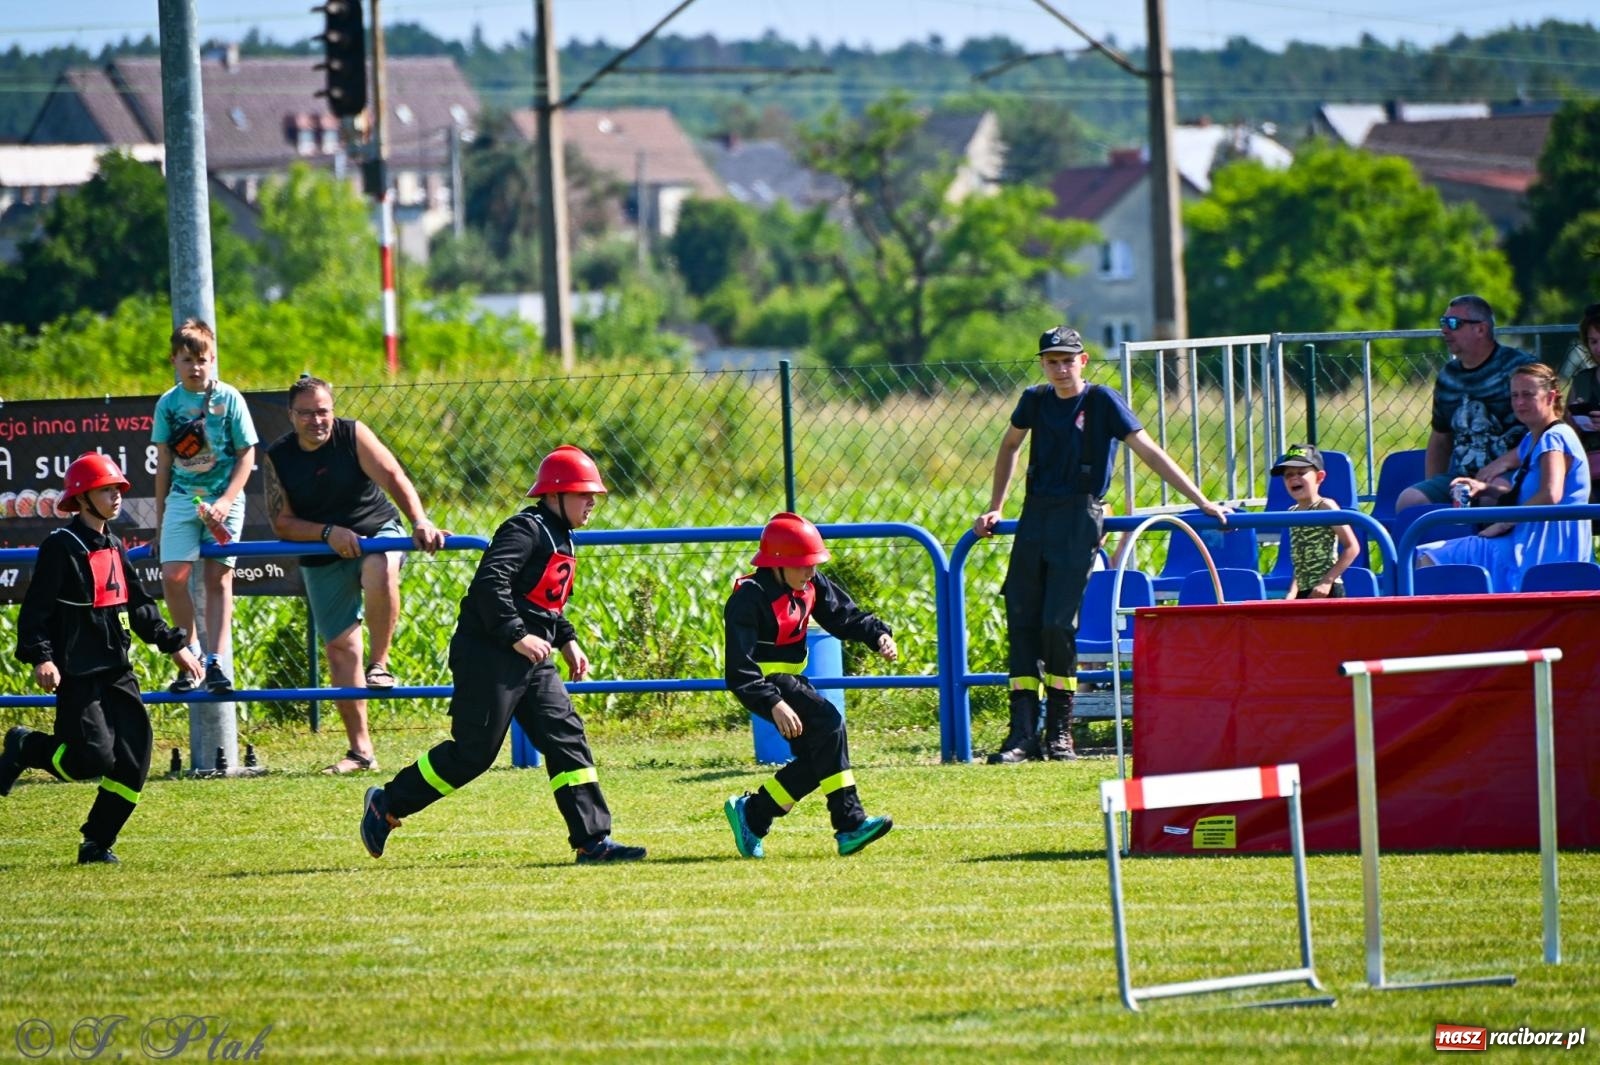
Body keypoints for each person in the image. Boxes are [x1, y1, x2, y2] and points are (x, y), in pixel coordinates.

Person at [359, 445, 646, 864]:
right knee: (474, 753)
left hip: (532, 659)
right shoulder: (524, 529)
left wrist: (567, 640)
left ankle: (593, 841)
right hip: (489, 654)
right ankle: (387, 804)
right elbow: (490, 584)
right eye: (583, 494)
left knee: (566, 737)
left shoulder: (562, 536)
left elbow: (545, 602)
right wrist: (517, 636)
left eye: (594, 495)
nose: (592, 502)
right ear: (554, 495)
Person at [974, 325, 1228, 765]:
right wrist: (995, 506)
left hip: (1080, 515)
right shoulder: (1034, 400)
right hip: (1036, 515)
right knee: (1022, 620)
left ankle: (1059, 733)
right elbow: (1010, 444)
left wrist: (1201, 501)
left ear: (1083, 361)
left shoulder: (1102, 401)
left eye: (1067, 360)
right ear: (1042, 364)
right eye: (1052, 361)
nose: (1060, 369)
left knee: (1058, 625)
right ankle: (1021, 735)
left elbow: (1149, 451)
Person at [2, 454, 203, 864]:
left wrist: (174, 645)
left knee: (134, 757)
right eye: (106, 490)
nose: (116, 497)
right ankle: (27, 747)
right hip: (76, 672)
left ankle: (97, 842)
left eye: (117, 489)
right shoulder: (61, 546)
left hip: (116, 669)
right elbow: (35, 610)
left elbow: (140, 605)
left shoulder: (113, 544)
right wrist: (42, 657)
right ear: (82, 498)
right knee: (90, 759)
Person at [263, 376, 449, 774]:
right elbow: (282, 522)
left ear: (333, 410)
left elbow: (394, 477)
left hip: (378, 531)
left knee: (379, 564)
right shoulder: (278, 456)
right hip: (322, 550)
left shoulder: (353, 435)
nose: (317, 420)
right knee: (340, 650)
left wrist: (420, 520)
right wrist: (327, 533)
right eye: (307, 413)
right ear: (291, 415)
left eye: (323, 411)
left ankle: (379, 664)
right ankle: (360, 753)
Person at [722, 513, 897, 859]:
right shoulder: (748, 599)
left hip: (792, 683)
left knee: (821, 757)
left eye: (813, 563)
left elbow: (844, 616)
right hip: (764, 684)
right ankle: (850, 824)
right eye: (802, 564)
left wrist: (877, 634)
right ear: (776, 564)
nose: (810, 571)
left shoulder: (811, 584)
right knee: (829, 722)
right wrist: (773, 702)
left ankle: (754, 814)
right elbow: (739, 670)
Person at [151, 319, 258, 695]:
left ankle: (215, 662)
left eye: (202, 359)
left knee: (218, 578)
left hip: (225, 500)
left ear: (213, 359)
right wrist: (160, 525)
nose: (195, 367)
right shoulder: (167, 404)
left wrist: (226, 501)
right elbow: (164, 465)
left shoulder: (230, 398)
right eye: (187, 360)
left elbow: (247, 455)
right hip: (183, 499)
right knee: (172, 577)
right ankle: (191, 656)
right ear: (174, 362)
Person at [1418, 363, 1592, 592]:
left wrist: (1502, 524)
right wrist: (1484, 488)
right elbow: (1528, 495)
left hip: (1543, 550)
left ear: (1550, 397)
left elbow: (1550, 494)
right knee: (1422, 555)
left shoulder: (1555, 437)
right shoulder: (1532, 440)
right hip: (1524, 542)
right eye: (1514, 395)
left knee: (1427, 558)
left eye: (1528, 395)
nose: (1519, 402)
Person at [1395, 295, 1536, 512]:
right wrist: (1435, 493)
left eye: (1454, 323)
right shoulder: (1447, 377)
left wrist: (1503, 463)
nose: (1444, 330)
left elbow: (1544, 430)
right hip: (1462, 477)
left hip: (1514, 473)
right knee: (1410, 501)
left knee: (1491, 499)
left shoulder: (1520, 369)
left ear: (1480, 329)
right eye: (1443, 322)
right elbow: (1440, 439)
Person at [1271, 443, 1360, 599]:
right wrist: (1292, 592)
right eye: (1288, 475)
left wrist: (1327, 582)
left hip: (1328, 590)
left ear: (1319, 477)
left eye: (1301, 473)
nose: (1294, 478)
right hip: (1303, 590)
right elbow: (1301, 559)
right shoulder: (1292, 512)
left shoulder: (1325, 506)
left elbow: (1352, 547)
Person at [1562, 303, 1600, 492]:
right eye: (1593, 342)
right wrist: (1573, 423)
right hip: (1587, 467)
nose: (1598, 348)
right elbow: (1566, 430)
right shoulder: (1582, 380)